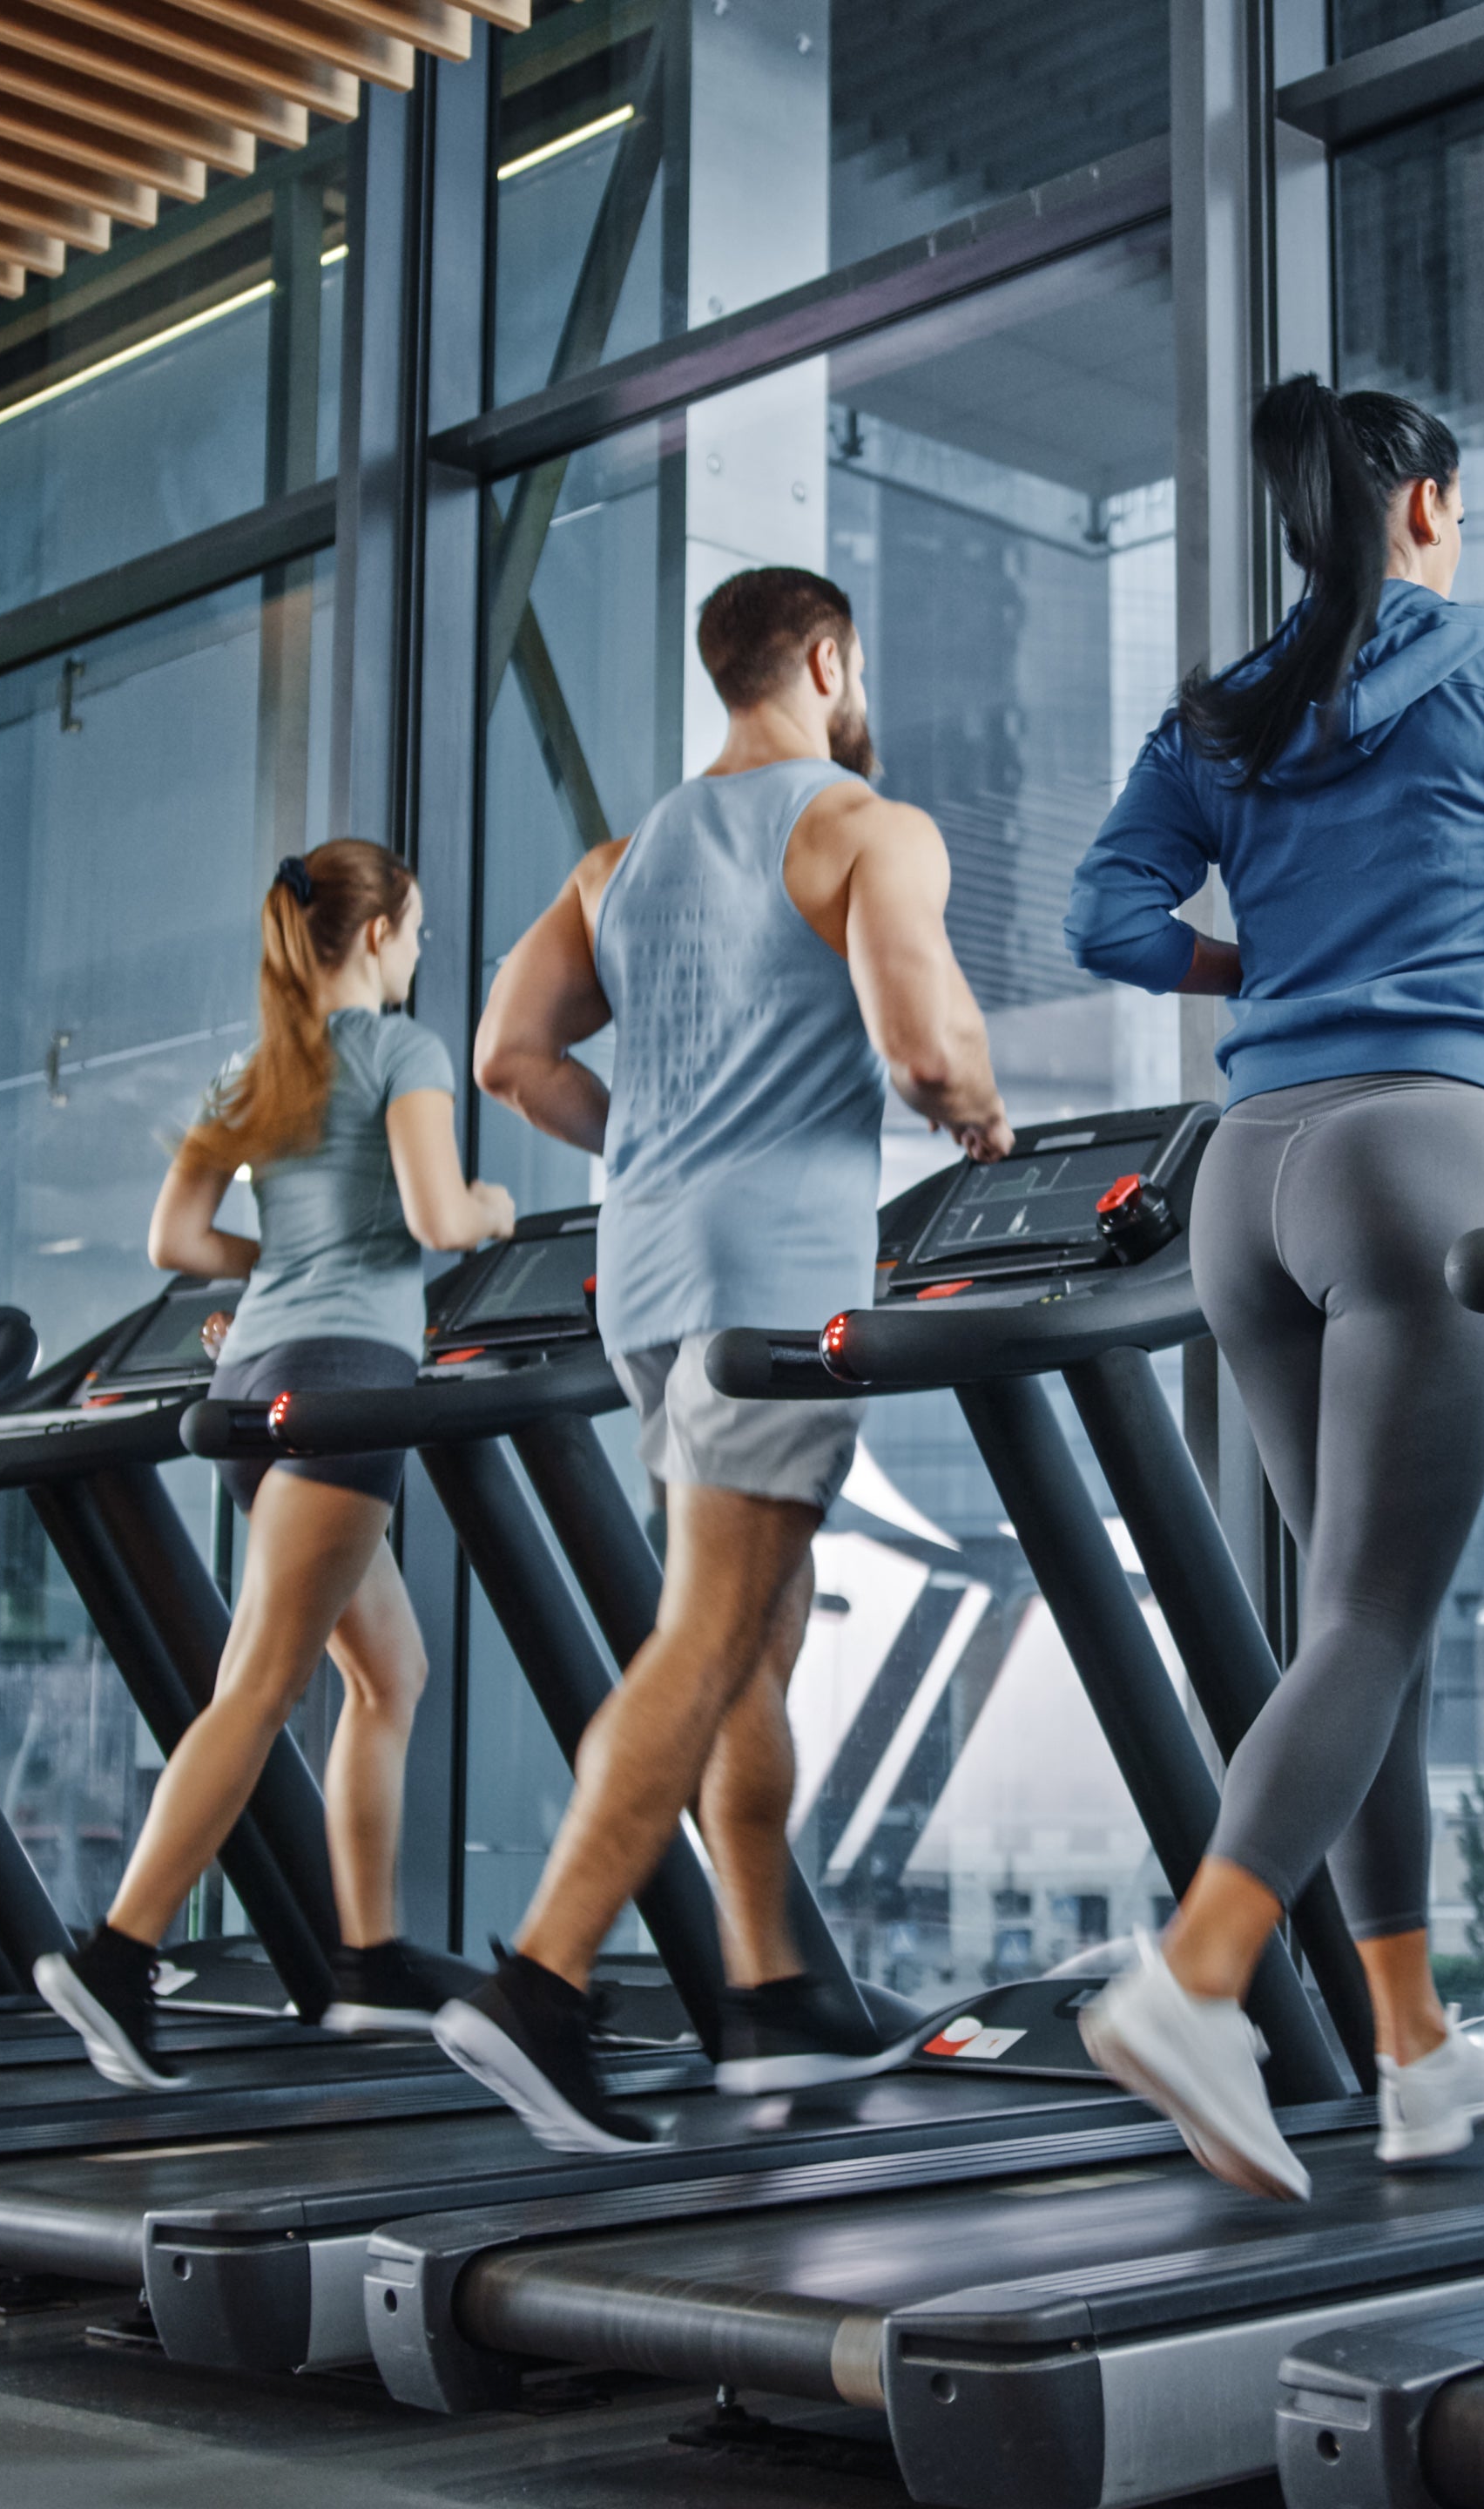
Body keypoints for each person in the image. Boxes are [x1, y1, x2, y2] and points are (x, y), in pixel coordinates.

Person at [1062, 379, 1484, 2200]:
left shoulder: (1228, 708)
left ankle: (1407, 2045)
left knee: (1352, 1627)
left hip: (1248, 1172)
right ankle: (1197, 1977)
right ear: (1430, 510)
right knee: (1375, 1621)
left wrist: (1254, 951)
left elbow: (1101, 918)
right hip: (1422, 1159)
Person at [443, 565, 1011, 2151]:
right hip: (771, 1292)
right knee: (707, 1629)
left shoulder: (620, 862)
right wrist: (974, 1110)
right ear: (828, 657)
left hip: (647, 1277)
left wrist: (648, 1145)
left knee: (752, 1628)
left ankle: (773, 1992)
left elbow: (510, 1054)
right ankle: (539, 1985)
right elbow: (921, 1045)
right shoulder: (862, 827)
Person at [35, 842, 516, 2088]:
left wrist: (281, 1275)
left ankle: (369, 1963)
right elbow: (432, 1219)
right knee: (257, 1686)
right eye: (412, 931)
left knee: (386, 1672)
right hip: (347, 1383)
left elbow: (175, 1238)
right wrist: (493, 1211)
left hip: (253, 1378)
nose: (417, 954)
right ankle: (119, 1954)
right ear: (371, 939)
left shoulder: (254, 1070)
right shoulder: (403, 1053)